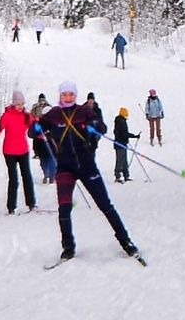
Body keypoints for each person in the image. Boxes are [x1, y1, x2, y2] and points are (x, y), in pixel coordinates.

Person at [43, 81, 140, 263]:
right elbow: (35, 129)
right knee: (64, 208)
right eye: (65, 94)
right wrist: (35, 128)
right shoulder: (54, 115)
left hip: (86, 165)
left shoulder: (83, 112)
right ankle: (68, 247)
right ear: (60, 95)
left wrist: (94, 125)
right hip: (65, 167)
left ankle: (126, 241)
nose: (68, 97)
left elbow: (102, 127)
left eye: (71, 94)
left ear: (76, 95)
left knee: (105, 204)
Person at [0, 91, 39, 214]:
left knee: (27, 176)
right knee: (13, 179)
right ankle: (11, 207)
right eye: (18, 104)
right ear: (13, 104)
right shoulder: (7, 115)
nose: (20, 106)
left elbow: (35, 126)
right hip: (9, 151)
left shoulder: (26, 116)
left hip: (23, 150)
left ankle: (31, 203)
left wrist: (37, 126)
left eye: (22, 104)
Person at [112, 107, 135, 182]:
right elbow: (124, 134)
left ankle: (125, 175)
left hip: (121, 144)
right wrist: (133, 136)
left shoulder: (119, 121)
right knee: (121, 160)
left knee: (124, 160)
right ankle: (118, 176)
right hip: (120, 144)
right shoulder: (121, 122)